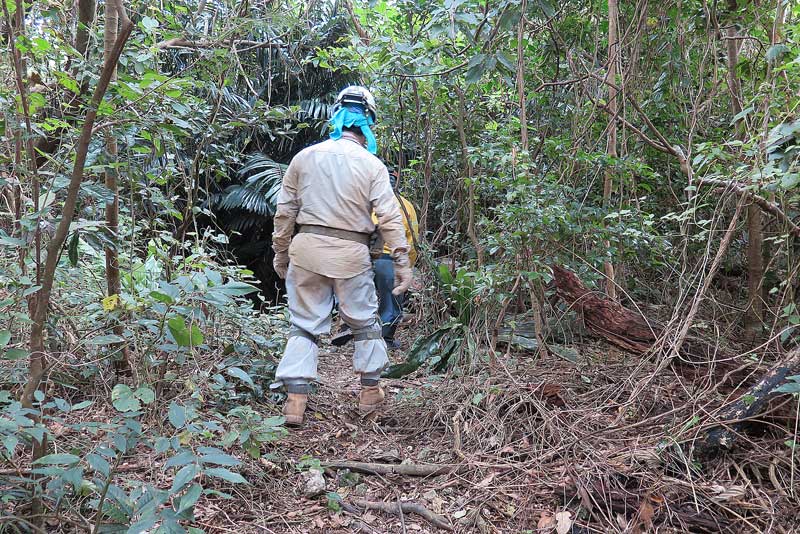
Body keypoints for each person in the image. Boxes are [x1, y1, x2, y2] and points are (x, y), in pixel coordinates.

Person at [270, 86, 413, 426]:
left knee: (304, 325)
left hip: (307, 248)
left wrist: (281, 252)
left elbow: (284, 212)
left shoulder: (304, 157)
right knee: (365, 322)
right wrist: (402, 261)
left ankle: (295, 400)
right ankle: (369, 392)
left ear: (336, 115)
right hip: (351, 252)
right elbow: (390, 218)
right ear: (368, 123)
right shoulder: (372, 165)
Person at [331, 168, 419, 349]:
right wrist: (408, 264)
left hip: (365, 258)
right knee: (392, 303)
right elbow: (413, 238)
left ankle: (351, 326)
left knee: (359, 295)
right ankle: (383, 340)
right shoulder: (405, 205)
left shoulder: (367, 203)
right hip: (391, 260)